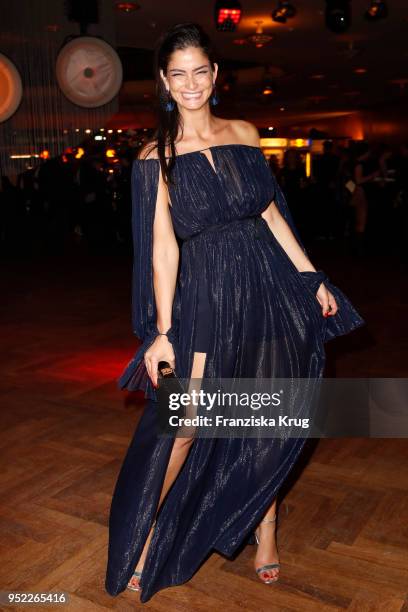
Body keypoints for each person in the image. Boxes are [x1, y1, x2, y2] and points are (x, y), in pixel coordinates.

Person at [105, 22, 365, 603]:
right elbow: (161, 250)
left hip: (267, 286)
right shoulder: (155, 156)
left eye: (201, 71)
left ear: (215, 76)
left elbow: (271, 213)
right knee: (187, 424)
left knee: (266, 414)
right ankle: (145, 536)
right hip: (205, 294)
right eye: (179, 74)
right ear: (164, 83)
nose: (191, 83)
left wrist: (309, 275)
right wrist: (162, 332)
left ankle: (264, 528)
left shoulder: (246, 133)